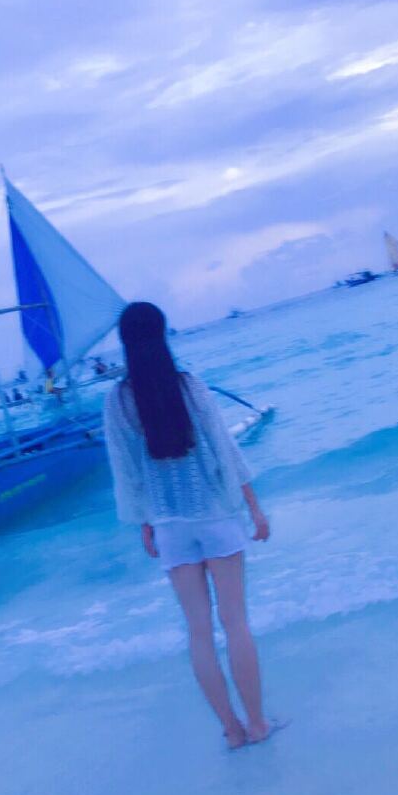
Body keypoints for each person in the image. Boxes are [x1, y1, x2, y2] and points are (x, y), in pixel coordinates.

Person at [103, 301, 273, 751]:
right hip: (214, 516)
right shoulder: (188, 386)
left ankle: (232, 731)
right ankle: (258, 724)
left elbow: (125, 470)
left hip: (169, 526)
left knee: (198, 632)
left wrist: (144, 522)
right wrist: (254, 508)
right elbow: (224, 450)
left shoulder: (118, 401)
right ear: (162, 335)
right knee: (235, 623)